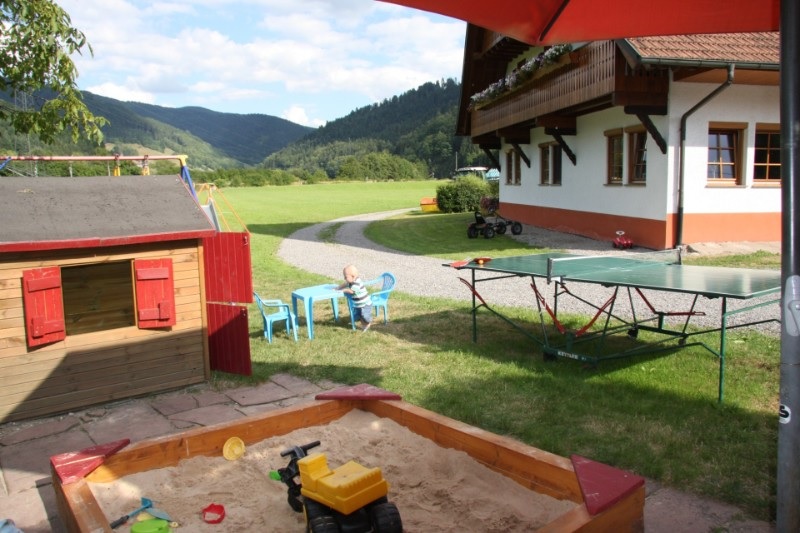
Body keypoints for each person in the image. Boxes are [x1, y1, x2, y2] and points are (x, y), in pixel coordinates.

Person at [336, 264, 373, 331]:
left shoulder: (356, 283)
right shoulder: (351, 281)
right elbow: (345, 284)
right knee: (361, 316)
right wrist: (338, 288)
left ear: (353, 276)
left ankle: (368, 322)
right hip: (359, 304)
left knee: (365, 315)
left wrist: (343, 290)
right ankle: (364, 325)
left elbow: (351, 291)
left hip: (365, 304)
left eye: (346, 277)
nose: (344, 278)